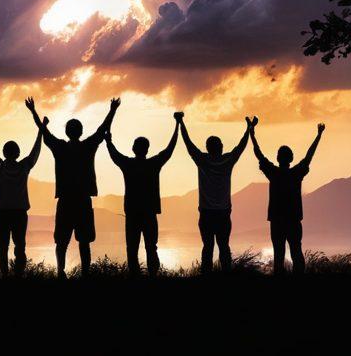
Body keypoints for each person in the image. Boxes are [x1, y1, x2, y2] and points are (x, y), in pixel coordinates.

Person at [26, 94, 120, 277]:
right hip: (83, 201)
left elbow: (43, 131)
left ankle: (61, 272)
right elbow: (102, 129)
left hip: (66, 201)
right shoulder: (87, 147)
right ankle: (85, 273)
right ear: (81, 131)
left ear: (67, 132)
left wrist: (33, 111)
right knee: (84, 242)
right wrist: (112, 110)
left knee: (61, 241)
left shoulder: (60, 148)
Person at [104, 113, 181, 276]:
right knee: (151, 247)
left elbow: (113, 154)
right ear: (147, 149)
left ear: (133, 149)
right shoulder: (154, 164)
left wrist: (108, 140)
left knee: (132, 248)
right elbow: (170, 148)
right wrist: (177, 125)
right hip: (149, 213)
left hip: (132, 213)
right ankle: (153, 275)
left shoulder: (128, 164)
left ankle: (135, 277)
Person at [179, 114, 256, 273]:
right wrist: (249, 128)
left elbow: (188, 144)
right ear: (220, 147)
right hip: (223, 213)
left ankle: (206, 277)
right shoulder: (227, 160)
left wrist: (180, 123)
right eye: (221, 144)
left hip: (206, 213)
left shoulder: (202, 160)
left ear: (207, 148)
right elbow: (241, 146)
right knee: (224, 247)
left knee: (207, 247)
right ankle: (226, 276)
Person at [250, 120, 325, 275]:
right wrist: (318, 135)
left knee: (279, 255)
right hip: (293, 220)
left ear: (278, 158)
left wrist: (252, 133)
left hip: (277, 221)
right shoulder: (296, 174)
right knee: (296, 251)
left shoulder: (273, 173)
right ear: (291, 158)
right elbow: (309, 156)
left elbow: (258, 154)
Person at [0, 112, 45, 276]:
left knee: (3, 246)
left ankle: (5, 276)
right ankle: (19, 274)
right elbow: (36, 151)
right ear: (18, 153)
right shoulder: (24, 166)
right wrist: (41, 130)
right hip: (20, 212)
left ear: (4, 152)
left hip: (3, 212)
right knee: (20, 245)